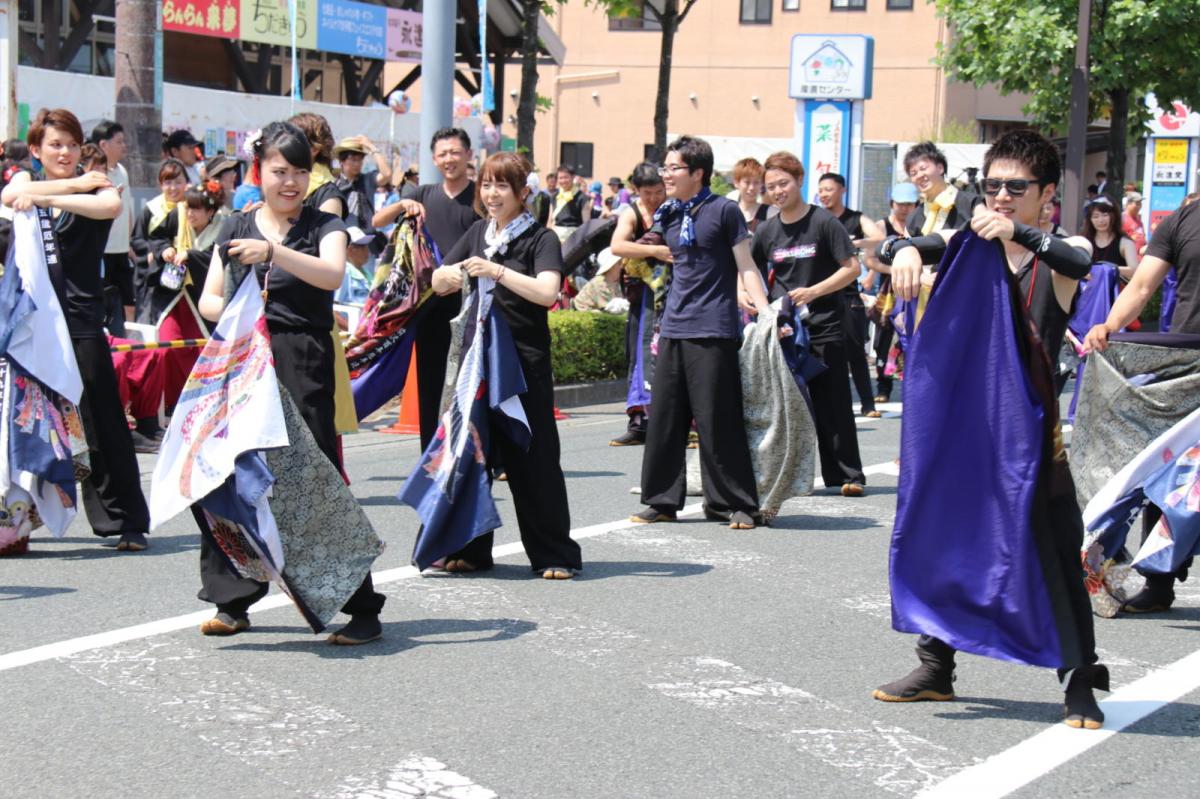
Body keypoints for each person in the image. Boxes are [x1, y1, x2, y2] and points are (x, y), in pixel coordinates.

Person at [878, 129, 1104, 728]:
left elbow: (1079, 261)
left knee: (1055, 553)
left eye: (1016, 187)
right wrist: (903, 250)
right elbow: (900, 249)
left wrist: (1019, 233)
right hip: (963, 437)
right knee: (943, 537)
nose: (1000, 196)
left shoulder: (1057, 249)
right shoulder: (967, 244)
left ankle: (1080, 678)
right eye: (992, 186)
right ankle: (935, 667)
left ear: (1046, 194)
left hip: (1031, 440)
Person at [195, 120, 385, 643]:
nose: (291, 183)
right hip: (245, 359)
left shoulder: (324, 225)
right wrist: (239, 309)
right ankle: (232, 600)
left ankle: (361, 606)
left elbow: (332, 276)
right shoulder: (235, 225)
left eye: (300, 172)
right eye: (280, 171)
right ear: (260, 170)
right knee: (229, 477)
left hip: (303, 359)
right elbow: (210, 297)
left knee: (316, 483)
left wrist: (274, 255)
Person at [1, 107, 151, 551]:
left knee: (101, 421)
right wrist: (67, 186)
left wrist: (58, 194)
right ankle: (19, 521)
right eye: (54, 145)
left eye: (70, 144)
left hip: (83, 322)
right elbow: (12, 194)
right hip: (32, 327)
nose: (64, 152)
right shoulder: (26, 182)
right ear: (36, 150)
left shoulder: (95, 186)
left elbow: (109, 205)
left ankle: (126, 521)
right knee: (25, 423)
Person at [429, 152, 583, 579]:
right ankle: (472, 549)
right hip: (477, 363)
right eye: (486, 185)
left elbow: (547, 292)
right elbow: (438, 280)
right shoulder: (479, 232)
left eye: (501, 186)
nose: (491, 194)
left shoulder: (539, 238)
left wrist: (496, 271)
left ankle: (554, 554)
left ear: (522, 193)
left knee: (533, 458)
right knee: (473, 455)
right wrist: (453, 275)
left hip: (523, 365)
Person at [630, 135, 770, 530]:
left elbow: (746, 266)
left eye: (673, 168)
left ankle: (736, 503)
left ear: (698, 173)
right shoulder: (670, 214)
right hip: (673, 327)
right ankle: (660, 500)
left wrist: (766, 312)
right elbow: (625, 247)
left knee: (717, 420)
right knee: (665, 419)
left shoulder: (724, 211)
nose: (666, 175)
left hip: (714, 329)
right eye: (666, 168)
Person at [1084, 186, 1200, 615]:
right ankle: (1159, 580)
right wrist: (1109, 324)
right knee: (1166, 473)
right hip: (1187, 365)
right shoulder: (1183, 220)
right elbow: (1144, 284)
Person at [754, 153, 867, 497]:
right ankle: (787, 476)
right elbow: (748, 271)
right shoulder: (767, 230)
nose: (778, 191)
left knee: (832, 402)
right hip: (786, 332)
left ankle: (848, 474)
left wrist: (814, 291)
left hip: (825, 324)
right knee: (786, 408)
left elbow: (852, 268)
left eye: (783, 183)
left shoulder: (823, 223)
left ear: (799, 180)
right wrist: (755, 303)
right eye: (771, 187)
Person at [373, 128, 480, 459]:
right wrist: (401, 204)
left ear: (468, 155)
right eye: (442, 154)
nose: (449, 159)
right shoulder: (422, 194)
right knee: (431, 382)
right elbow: (377, 221)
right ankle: (431, 456)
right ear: (434, 159)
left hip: (472, 302)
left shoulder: (481, 197)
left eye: (455, 152)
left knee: (472, 380)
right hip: (429, 305)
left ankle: (477, 453)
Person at [609, 162, 672, 446]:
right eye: (648, 193)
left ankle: (680, 421)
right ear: (636, 190)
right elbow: (617, 246)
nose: (655, 198)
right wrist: (654, 250)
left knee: (671, 355)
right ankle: (640, 422)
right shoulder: (631, 213)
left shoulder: (674, 208)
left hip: (674, 292)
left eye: (659, 191)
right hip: (643, 295)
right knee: (639, 353)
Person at [817, 172, 883, 418]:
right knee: (822, 353)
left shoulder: (854, 218)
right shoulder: (817, 218)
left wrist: (852, 244)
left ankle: (868, 403)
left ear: (842, 190)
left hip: (848, 295)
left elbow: (878, 237)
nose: (824, 194)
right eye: (821, 189)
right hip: (819, 293)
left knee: (855, 351)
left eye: (829, 189)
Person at [871, 182, 919, 404]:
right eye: (900, 204)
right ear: (892, 204)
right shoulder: (883, 225)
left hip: (917, 290)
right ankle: (883, 387)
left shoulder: (922, 223)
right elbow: (870, 259)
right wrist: (897, 269)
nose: (904, 209)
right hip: (889, 291)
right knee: (884, 338)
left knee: (913, 338)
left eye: (909, 204)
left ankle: (912, 385)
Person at [91, 120, 137, 337]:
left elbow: (127, 208)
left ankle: (128, 343)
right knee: (103, 300)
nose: (124, 146)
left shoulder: (122, 171)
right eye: (119, 142)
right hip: (102, 249)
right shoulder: (93, 175)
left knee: (128, 302)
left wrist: (128, 242)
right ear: (103, 144)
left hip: (121, 249)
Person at [903, 141, 983, 237]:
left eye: (923, 168)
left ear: (940, 168)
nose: (919, 175)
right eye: (913, 173)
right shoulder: (913, 218)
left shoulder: (972, 203)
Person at [288, 112, 345, 219]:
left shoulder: (328, 196)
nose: (284, 148)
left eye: (292, 142)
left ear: (314, 149)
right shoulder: (283, 183)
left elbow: (331, 233)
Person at [333, 135, 392, 232]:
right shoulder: (334, 184)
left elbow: (387, 174)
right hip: (342, 237)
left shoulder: (367, 180)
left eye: (360, 160)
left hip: (366, 238)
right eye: (353, 159)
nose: (357, 164)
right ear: (341, 161)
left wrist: (371, 147)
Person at [1082, 196, 1138, 278]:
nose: (1101, 220)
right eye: (1095, 216)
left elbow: (1135, 270)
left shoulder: (1125, 243)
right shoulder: (1084, 242)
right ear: (1090, 220)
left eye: (1105, 215)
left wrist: (1107, 269)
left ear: (1113, 216)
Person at [548, 163, 590, 241]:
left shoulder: (582, 197)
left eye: (566, 177)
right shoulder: (554, 196)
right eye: (560, 178)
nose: (563, 181)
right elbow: (550, 220)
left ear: (573, 177)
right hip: (555, 236)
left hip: (574, 237)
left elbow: (586, 223)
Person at [733, 157, 770, 232]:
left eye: (756, 182)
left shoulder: (771, 213)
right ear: (736, 183)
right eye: (747, 182)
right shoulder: (727, 213)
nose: (752, 188)